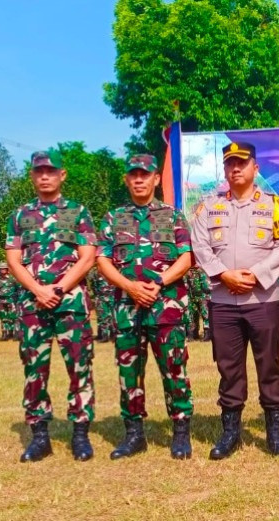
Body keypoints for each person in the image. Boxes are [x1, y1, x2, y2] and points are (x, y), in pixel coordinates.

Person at [192, 142, 279, 459]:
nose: (235, 168)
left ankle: (274, 433)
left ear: (255, 168)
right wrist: (223, 274)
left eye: (242, 162)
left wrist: (255, 273)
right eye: (230, 164)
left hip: (262, 299)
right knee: (228, 368)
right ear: (224, 170)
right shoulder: (208, 206)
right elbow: (200, 245)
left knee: (269, 366)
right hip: (223, 301)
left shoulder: (275, 204)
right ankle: (230, 433)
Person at [97, 154, 195, 460]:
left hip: (166, 307)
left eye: (145, 174)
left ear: (155, 179)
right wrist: (130, 287)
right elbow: (102, 260)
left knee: (174, 370)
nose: (139, 179)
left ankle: (180, 433)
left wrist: (159, 282)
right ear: (126, 180)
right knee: (129, 374)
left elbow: (186, 257)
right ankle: (134, 434)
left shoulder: (173, 216)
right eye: (133, 174)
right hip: (128, 308)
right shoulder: (113, 219)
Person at [5, 149, 97, 462]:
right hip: (33, 304)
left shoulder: (78, 211)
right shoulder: (20, 215)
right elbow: (14, 260)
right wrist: (37, 290)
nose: (45, 175)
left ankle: (81, 435)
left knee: (79, 367)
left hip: (70, 303)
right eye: (39, 171)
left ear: (62, 175)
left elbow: (88, 256)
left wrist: (58, 288)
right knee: (34, 370)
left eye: (51, 170)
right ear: (32, 175)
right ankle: (39, 436)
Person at [0, 262, 21, 341]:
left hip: (11, 300)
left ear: (7, 270)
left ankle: (15, 333)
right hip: (1, 301)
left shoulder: (12, 279)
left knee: (14, 317)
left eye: (4, 269)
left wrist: (18, 299)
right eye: (1, 269)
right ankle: (5, 334)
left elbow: (19, 289)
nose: (2, 270)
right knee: (3, 318)